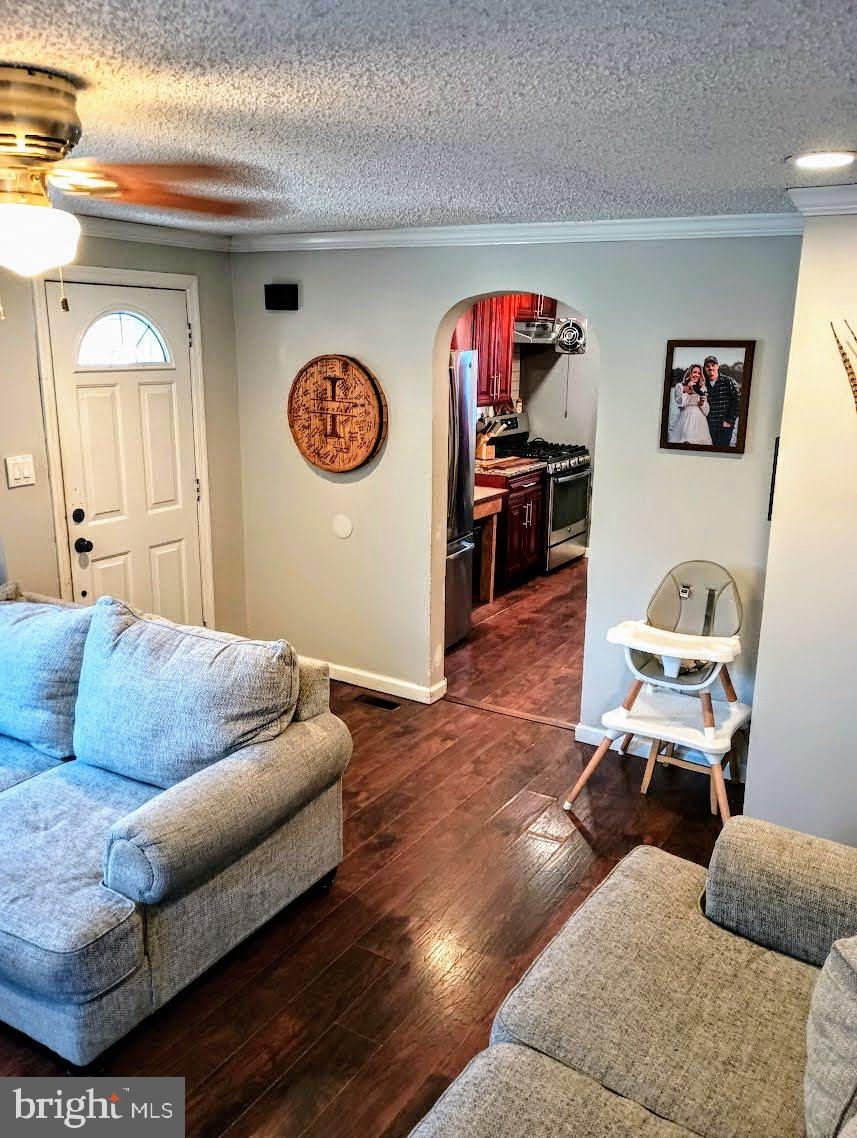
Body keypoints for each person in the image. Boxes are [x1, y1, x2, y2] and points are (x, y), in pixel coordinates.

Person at [671, 364, 712, 445]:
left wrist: (702, 403)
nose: (697, 375)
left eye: (699, 373)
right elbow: (680, 403)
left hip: (700, 421)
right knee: (686, 442)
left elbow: (706, 412)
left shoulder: (702, 388)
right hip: (685, 419)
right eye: (694, 372)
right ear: (689, 373)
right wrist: (689, 390)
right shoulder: (680, 386)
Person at [703, 355, 739, 447]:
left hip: (724, 426)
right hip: (707, 427)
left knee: (722, 453)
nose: (710, 368)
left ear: (717, 366)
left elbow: (738, 402)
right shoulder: (703, 384)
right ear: (705, 368)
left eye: (713, 365)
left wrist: (729, 421)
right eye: (707, 366)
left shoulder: (728, 381)